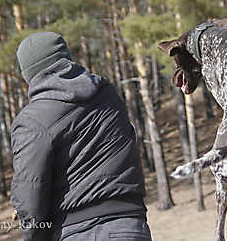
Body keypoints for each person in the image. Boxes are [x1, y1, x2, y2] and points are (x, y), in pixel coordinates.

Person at [11, 31, 152, 241]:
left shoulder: (33, 119)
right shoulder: (108, 94)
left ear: (29, 74)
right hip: (133, 226)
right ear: (66, 57)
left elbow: (30, 194)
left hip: (80, 232)